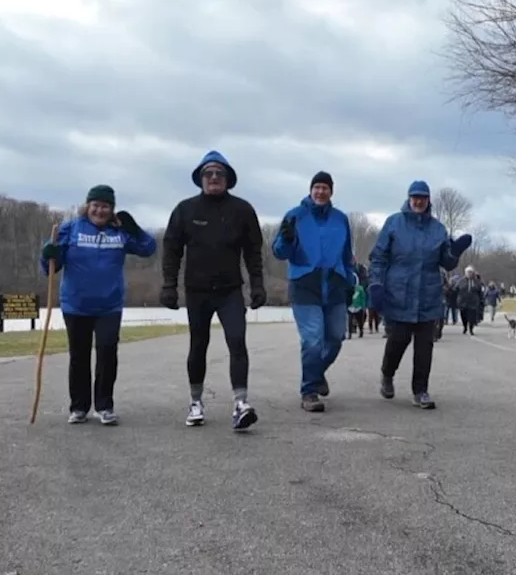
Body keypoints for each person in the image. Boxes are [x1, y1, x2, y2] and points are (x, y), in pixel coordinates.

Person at [160, 150, 267, 430]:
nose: (214, 178)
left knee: (237, 341)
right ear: (200, 179)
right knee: (199, 344)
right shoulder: (185, 210)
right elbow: (171, 249)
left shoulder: (242, 210)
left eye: (220, 174)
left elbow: (253, 251)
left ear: (229, 179)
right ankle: (196, 402)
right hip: (197, 290)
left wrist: (257, 284)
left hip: (230, 290)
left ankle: (241, 403)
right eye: (209, 174)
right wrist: (168, 285)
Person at [40, 185, 157, 425]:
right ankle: (79, 407)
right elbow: (51, 267)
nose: (100, 210)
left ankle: (104, 406)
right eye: (96, 205)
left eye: (105, 206)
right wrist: (47, 254)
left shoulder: (119, 232)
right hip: (76, 304)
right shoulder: (70, 229)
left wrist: (133, 228)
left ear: (111, 209)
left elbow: (148, 248)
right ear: (87, 206)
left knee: (107, 353)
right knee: (79, 356)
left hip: (109, 306)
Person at [367, 180, 472, 409]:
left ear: (428, 200)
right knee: (398, 340)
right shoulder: (394, 223)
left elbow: (446, 262)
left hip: (428, 294)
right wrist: (376, 283)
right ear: (408, 198)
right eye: (415, 197)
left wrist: (454, 252)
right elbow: (379, 256)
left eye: (423, 197)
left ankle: (421, 391)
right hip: (399, 293)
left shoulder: (438, 229)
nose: (418, 201)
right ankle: (387, 374)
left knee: (425, 346)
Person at [272, 171, 357, 412]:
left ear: (331, 192)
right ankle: (309, 391)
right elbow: (279, 252)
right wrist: (286, 241)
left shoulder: (340, 219)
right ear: (310, 190)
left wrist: (350, 282)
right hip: (305, 283)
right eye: (317, 187)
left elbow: (346, 255)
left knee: (337, 337)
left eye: (325, 188)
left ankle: (316, 373)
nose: (321, 191)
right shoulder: (295, 215)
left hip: (335, 284)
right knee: (312, 339)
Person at [456, 266, 484, 335]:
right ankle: (465, 326)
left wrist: (481, 301)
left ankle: (471, 329)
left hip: (473, 303)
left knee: (472, 317)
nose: (469, 274)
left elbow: (480, 292)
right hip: (463, 302)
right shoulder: (461, 281)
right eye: (468, 272)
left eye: (471, 272)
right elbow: (455, 290)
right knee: (464, 316)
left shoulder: (476, 282)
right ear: (465, 273)